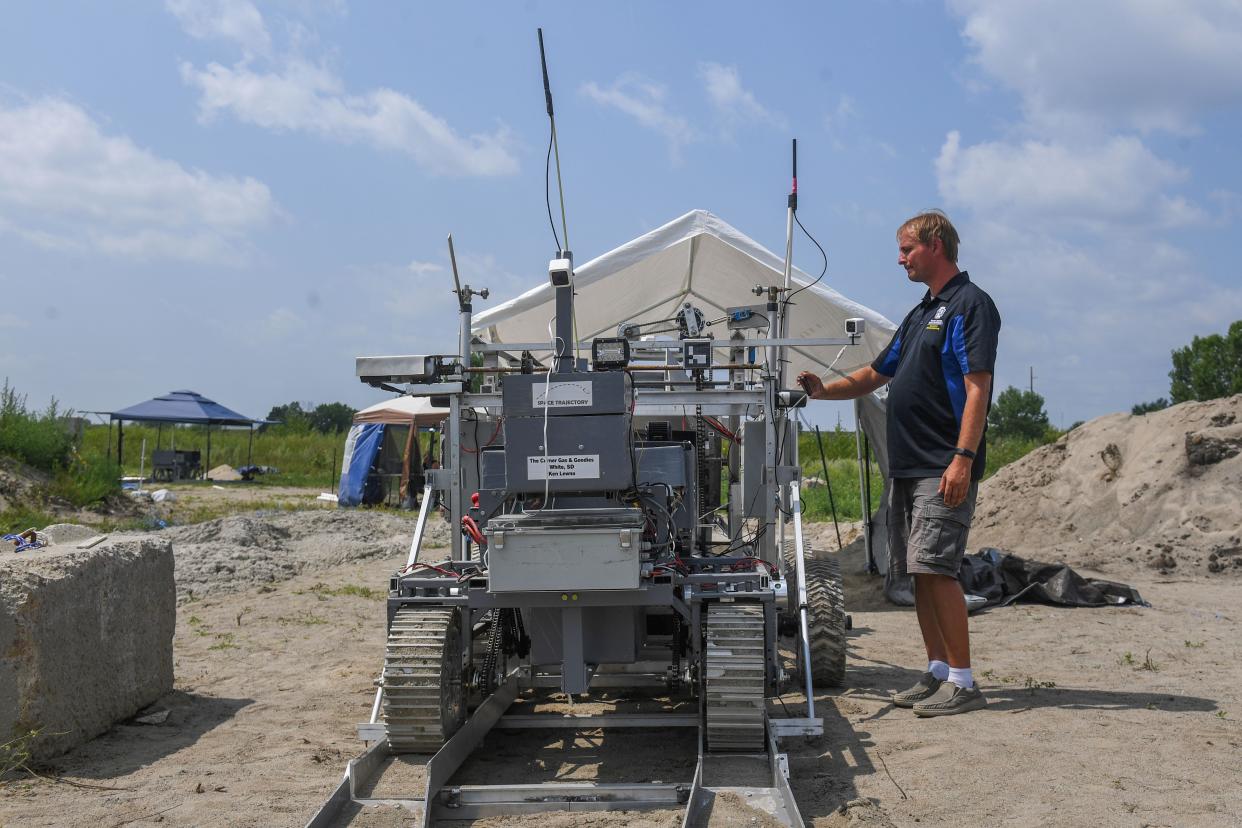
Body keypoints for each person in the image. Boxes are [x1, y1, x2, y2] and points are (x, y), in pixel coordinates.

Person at [797, 210, 1000, 717]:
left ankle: (964, 681)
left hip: (942, 464)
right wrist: (824, 391)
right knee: (917, 574)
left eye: (907, 248)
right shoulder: (920, 314)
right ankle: (936, 671)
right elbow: (875, 373)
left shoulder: (969, 306)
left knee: (937, 569)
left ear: (935, 244)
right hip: (908, 468)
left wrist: (963, 458)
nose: (900, 258)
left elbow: (978, 389)